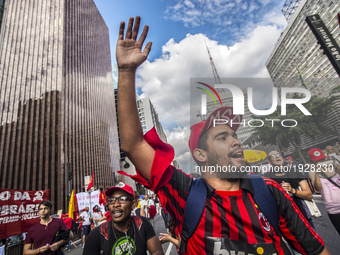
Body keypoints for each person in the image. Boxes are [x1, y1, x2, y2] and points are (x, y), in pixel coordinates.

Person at [116, 16, 330, 254]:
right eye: (222, 137)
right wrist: (126, 71)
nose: (236, 141)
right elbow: (134, 145)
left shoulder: (270, 192)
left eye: (234, 135)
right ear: (200, 154)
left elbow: (317, 250)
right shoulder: (186, 193)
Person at [83, 182, 163, 255]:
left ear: (133, 204)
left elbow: (156, 251)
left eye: (122, 199)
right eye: (112, 200)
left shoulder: (142, 223)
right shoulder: (97, 235)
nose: (116, 204)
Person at [265, 150, 315, 228]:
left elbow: (309, 195)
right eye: (273, 156)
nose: (277, 156)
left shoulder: (295, 172)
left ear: (282, 158)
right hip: (284, 221)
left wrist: (292, 190)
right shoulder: (267, 178)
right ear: (269, 162)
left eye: (278, 154)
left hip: (302, 216)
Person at [308, 148, 340, 235]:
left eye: (322, 159)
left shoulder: (334, 167)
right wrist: (317, 173)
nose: (321, 161)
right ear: (312, 161)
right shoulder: (313, 172)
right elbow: (317, 189)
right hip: (333, 208)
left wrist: (337, 165)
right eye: (318, 160)